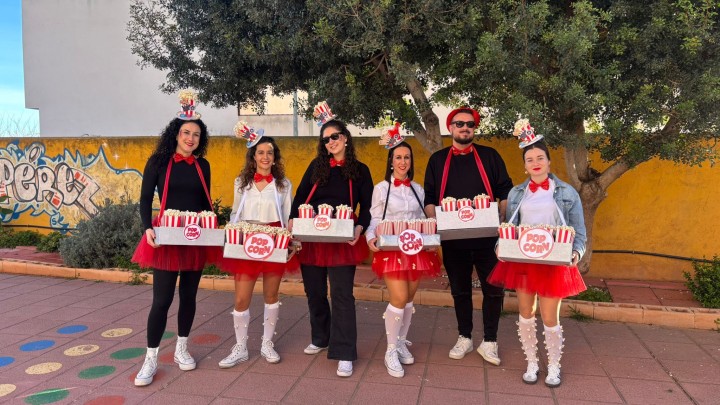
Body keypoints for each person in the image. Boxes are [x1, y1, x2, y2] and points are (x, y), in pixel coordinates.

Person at [488, 120, 587, 387]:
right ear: (524, 165)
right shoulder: (516, 193)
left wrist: (576, 253)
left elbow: (579, 231)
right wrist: (500, 246)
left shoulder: (567, 192)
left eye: (540, 158)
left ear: (549, 162)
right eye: (530, 159)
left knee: (550, 316)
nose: (535, 163)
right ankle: (531, 362)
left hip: (553, 260)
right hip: (523, 260)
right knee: (525, 312)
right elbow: (509, 228)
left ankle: (553, 365)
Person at [131, 93, 215, 387]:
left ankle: (181, 348)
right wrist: (147, 228)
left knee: (189, 297)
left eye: (196, 134)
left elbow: (205, 203)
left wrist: (211, 227)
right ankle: (150, 358)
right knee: (162, 300)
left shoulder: (203, 166)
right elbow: (145, 199)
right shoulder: (158, 162)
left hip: (193, 237)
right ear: (176, 133)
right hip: (166, 236)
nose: (191, 138)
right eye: (186, 132)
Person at [423, 107, 513, 364]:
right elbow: (430, 197)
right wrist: (436, 221)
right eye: (460, 123)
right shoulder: (438, 160)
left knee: (494, 290)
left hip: (488, 239)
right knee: (460, 291)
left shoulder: (490, 156)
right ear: (450, 127)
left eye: (470, 124)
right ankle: (465, 336)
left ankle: (490, 341)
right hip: (453, 240)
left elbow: (505, 190)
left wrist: (502, 217)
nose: (465, 128)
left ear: (475, 128)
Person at [289, 116, 373, 378]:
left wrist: (360, 228)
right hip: (312, 237)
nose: (330, 142)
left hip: (342, 238)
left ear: (345, 138)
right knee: (314, 292)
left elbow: (368, 207)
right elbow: (300, 197)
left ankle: (344, 351)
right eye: (325, 140)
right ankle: (321, 337)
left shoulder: (360, 170)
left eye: (334, 136)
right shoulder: (317, 166)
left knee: (342, 294)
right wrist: (292, 222)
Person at [215, 134, 299, 368]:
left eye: (270, 153)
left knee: (271, 295)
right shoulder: (241, 183)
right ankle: (240, 347)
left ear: (275, 157)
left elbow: (288, 217)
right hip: (247, 239)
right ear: (253, 157)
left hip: (273, 240)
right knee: (241, 297)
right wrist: (232, 235)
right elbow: (235, 213)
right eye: (260, 152)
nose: (265, 157)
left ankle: (267, 344)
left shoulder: (283, 184)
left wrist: (290, 241)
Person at [366, 140, 441, 378]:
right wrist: (370, 237)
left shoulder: (418, 189)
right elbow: (375, 219)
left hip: (415, 251)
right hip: (391, 250)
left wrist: (432, 237)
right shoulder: (381, 188)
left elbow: (423, 219)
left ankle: (400, 342)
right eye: (398, 157)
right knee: (398, 297)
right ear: (391, 161)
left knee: (408, 298)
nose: (402, 162)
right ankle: (390, 350)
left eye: (406, 157)